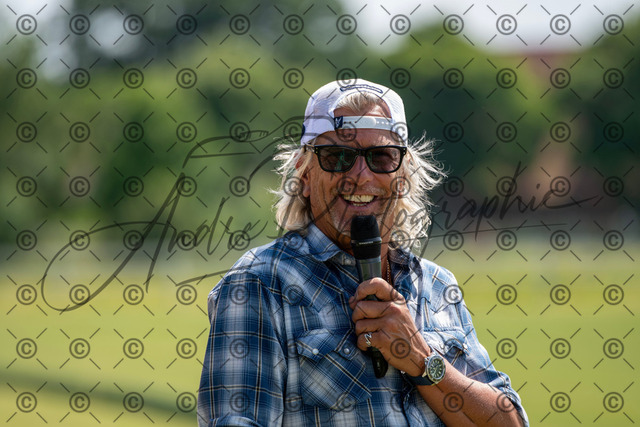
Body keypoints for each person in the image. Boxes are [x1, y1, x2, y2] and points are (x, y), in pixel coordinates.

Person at [197, 79, 529, 426]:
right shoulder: (258, 284)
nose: (359, 175)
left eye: (381, 157)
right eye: (337, 157)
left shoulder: (437, 285)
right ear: (304, 176)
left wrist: (421, 359)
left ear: (403, 177)